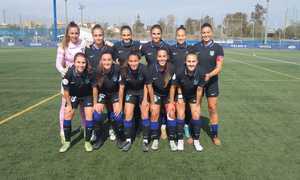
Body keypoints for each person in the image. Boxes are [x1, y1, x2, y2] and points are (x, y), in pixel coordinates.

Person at [191, 23, 224, 146]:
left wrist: (209, 75)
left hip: (212, 82)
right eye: (203, 32)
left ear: (211, 33)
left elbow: (219, 67)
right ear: (201, 33)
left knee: (212, 108)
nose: (205, 35)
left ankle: (215, 135)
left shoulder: (218, 48)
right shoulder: (195, 47)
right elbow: (189, 62)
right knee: (196, 107)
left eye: (208, 32)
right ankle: (194, 135)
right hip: (198, 82)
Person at [55, 21, 86, 144]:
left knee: (84, 106)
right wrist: (65, 72)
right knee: (65, 107)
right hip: (68, 82)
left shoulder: (83, 43)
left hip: (82, 81)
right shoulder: (63, 46)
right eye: (72, 33)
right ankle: (63, 131)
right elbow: (58, 63)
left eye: (76, 33)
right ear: (68, 33)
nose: (74, 35)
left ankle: (85, 128)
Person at [59, 52, 94, 153]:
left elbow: (94, 88)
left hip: (87, 96)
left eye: (83, 62)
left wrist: (95, 103)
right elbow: (66, 91)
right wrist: (69, 105)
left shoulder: (89, 72)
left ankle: (87, 142)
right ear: (74, 63)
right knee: (67, 114)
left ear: (86, 63)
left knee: (89, 116)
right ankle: (67, 142)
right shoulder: (69, 73)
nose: (81, 64)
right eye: (78, 62)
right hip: (74, 96)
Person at [141, 24, 171, 139]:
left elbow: (171, 65)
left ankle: (163, 127)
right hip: (150, 82)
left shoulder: (167, 47)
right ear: (150, 34)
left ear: (161, 34)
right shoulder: (145, 47)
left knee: (165, 107)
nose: (156, 36)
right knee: (153, 108)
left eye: (158, 33)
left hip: (164, 82)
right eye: (154, 33)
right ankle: (153, 129)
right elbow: (135, 57)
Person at [92, 52, 126, 150]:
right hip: (102, 93)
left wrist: (119, 104)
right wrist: (95, 103)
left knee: (118, 115)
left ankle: (120, 138)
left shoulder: (118, 69)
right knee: (97, 114)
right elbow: (95, 88)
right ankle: (99, 138)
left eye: (109, 59)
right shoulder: (97, 71)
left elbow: (121, 87)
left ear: (112, 60)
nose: (107, 62)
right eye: (104, 60)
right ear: (101, 61)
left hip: (115, 93)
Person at [173, 53, 206, 151]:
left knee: (196, 114)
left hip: (193, 95)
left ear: (197, 62)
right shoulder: (179, 71)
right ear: (185, 62)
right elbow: (177, 85)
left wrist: (198, 103)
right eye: (189, 61)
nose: (191, 64)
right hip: (182, 93)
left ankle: (196, 140)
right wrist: (179, 96)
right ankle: (180, 140)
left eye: (193, 61)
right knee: (180, 114)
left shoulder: (201, 72)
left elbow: (200, 89)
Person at [120, 52, 152, 152]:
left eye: (135, 61)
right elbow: (121, 89)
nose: (133, 63)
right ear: (128, 62)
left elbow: (148, 86)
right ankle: (128, 139)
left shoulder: (144, 69)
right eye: (131, 61)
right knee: (128, 113)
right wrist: (121, 105)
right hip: (131, 92)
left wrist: (147, 100)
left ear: (139, 60)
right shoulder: (124, 70)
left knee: (145, 113)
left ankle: (146, 140)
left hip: (143, 91)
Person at [148, 48, 177, 151]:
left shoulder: (172, 68)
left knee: (171, 112)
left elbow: (173, 87)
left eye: (164, 56)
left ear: (167, 57)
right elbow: (150, 87)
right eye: (160, 56)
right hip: (156, 93)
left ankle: (172, 139)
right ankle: (155, 138)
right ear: (157, 57)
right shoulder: (151, 68)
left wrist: (172, 102)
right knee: (155, 113)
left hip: (168, 94)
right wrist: (152, 102)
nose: (162, 58)